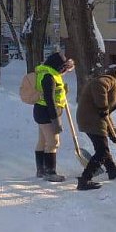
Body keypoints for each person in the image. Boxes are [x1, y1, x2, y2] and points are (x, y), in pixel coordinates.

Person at [74, 64, 116, 191]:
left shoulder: (111, 82)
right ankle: (84, 180)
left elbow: (106, 114)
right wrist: (103, 108)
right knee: (102, 152)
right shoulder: (109, 79)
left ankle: (112, 169)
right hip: (92, 120)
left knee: (102, 148)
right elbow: (99, 86)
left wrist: (112, 132)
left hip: (92, 119)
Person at [33, 51, 75, 182]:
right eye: (62, 67)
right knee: (53, 142)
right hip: (47, 112)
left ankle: (41, 170)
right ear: (57, 65)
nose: (63, 70)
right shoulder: (49, 77)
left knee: (43, 141)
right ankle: (50, 172)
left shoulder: (47, 73)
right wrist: (55, 119)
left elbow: (54, 91)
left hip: (41, 110)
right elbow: (50, 99)